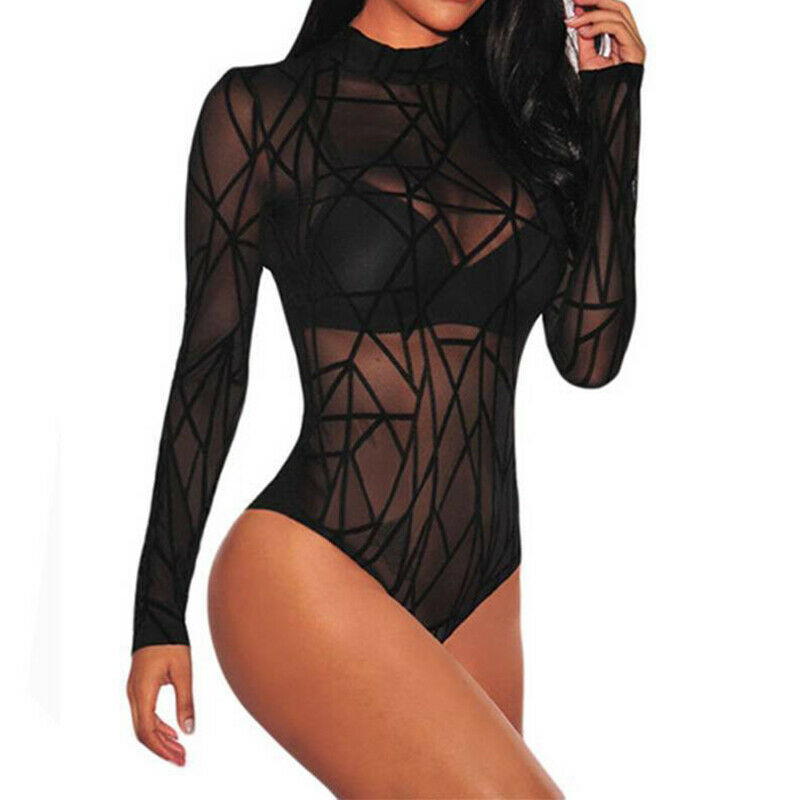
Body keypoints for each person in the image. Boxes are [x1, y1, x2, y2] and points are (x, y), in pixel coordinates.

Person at [126, 0, 645, 796]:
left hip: (483, 584)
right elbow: (212, 366)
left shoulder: (525, 121)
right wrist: (157, 614)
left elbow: (590, 357)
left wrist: (614, 109)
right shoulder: (262, 108)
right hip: (308, 562)